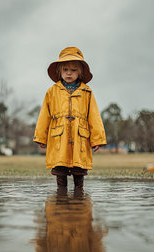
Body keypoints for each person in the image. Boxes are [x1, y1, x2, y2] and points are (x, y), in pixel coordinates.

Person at [33, 46, 107, 189]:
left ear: (79, 72)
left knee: (79, 173)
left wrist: (97, 139)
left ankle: (79, 201)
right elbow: (44, 115)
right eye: (65, 70)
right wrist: (41, 137)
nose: (69, 73)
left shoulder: (87, 92)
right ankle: (61, 201)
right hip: (59, 138)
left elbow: (94, 116)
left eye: (73, 70)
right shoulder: (52, 91)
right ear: (59, 71)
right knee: (60, 174)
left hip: (80, 138)